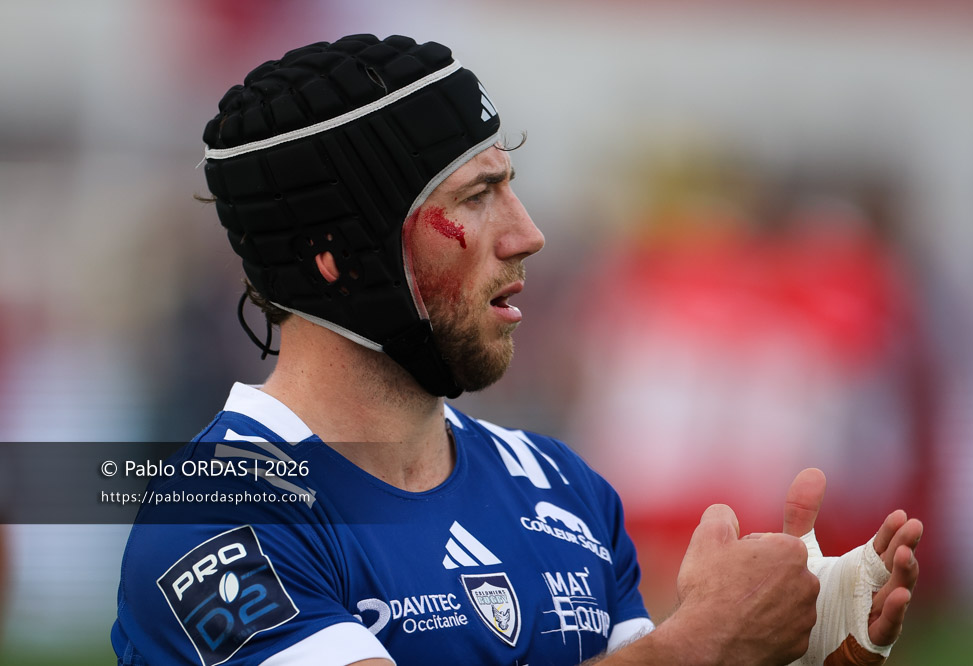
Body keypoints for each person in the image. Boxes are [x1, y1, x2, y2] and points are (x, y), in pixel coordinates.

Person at [111, 35, 922, 666]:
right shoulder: (219, 517)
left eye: (510, 183)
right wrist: (698, 644)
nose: (528, 234)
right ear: (337, 259)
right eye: (477, 196)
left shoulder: (564, 491)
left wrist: (790, 652)